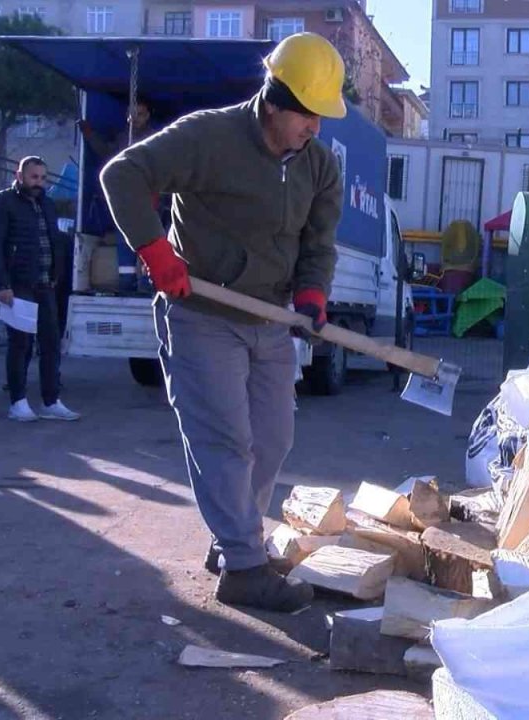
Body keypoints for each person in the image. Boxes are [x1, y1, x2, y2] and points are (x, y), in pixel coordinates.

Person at [99, 33, 346, 613]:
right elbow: (122, 176)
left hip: (269, 319)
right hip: (203, 314)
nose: (316, 127)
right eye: (308, 115)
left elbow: (320, 240)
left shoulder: (319, 165)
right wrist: (157, 251)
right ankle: (243, 566)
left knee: (272, 437)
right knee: (225, 439)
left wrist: (312, 293)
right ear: (276, 99)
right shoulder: (209, 136)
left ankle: (234, 538)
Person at [0, 156, 80, 423]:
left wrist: (57, 275)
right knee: (20, 344)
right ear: (20, 175)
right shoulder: (1, 203)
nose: (38, 182)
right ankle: (18, 402)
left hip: (46, 284)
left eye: (42, 177)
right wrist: (2, 285)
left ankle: (51, 401)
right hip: (18, 285)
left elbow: (53, 240)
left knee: (51, 344)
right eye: (33, 177)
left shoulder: (46, 204)